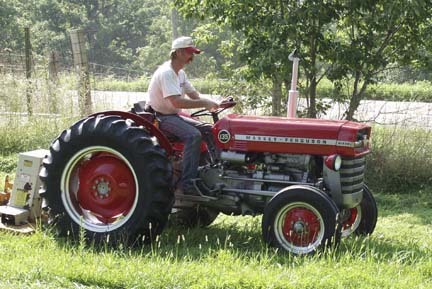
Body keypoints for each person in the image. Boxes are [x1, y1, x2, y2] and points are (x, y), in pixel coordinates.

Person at [147, 36, 220, 195]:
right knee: (193, 136)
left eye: (193, 53)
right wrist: (204, 103)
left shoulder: (180, 74)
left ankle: (217, 171)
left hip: (173, 115)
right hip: (162, 117)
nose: (192, 57)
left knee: (208, 129)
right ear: (178, 52)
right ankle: (188, 183)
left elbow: (194, 95)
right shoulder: (167, 73)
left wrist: (213, 102)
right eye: (189, 53)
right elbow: (177, 102)